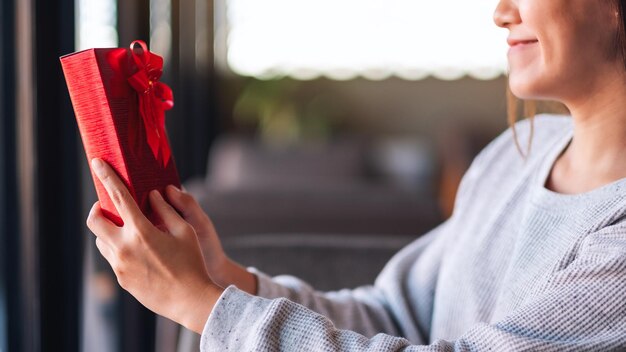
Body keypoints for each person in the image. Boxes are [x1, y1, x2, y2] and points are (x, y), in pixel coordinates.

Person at [87, 0, 626, 350]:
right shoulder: (513, 157)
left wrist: (199, 304)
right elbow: (395, 314)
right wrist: (221, 276)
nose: (502, 12)